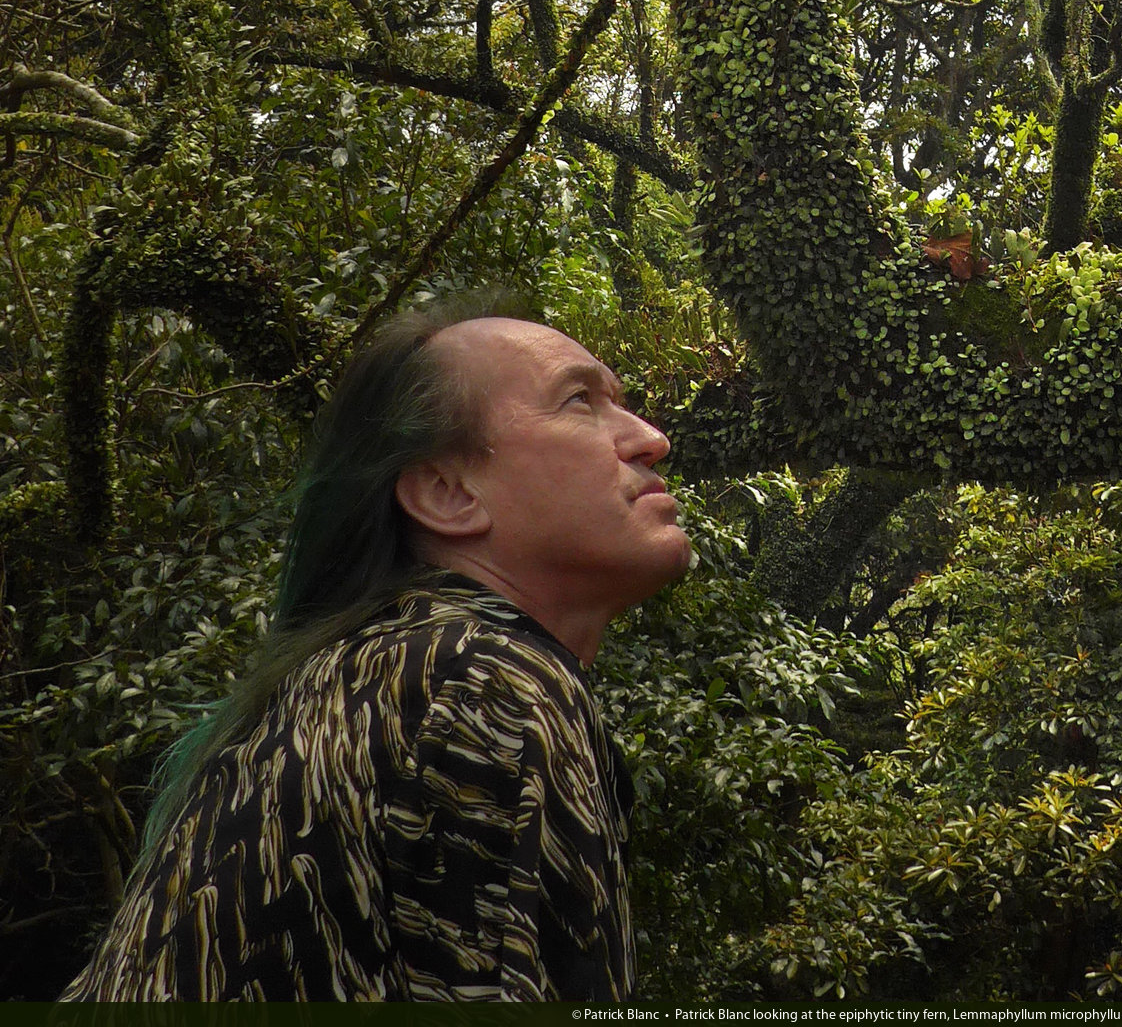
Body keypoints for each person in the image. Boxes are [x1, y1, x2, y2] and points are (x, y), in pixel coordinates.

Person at [63, 296, 694, 1001]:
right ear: (447, 494)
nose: (650, 438)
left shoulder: (360, 682)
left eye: (621, 402)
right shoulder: (479, 677)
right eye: (578, 401)